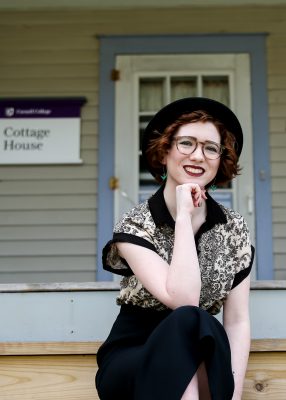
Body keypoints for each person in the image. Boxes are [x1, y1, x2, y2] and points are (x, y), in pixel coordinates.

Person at [95, 97, 254, 400]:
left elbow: (237, 321)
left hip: (200, 354)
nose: (198, 155)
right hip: (133, 360)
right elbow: (184, 300)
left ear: (221, 160)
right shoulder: (136, 223)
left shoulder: (234, 229)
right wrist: (184, 217)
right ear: (164, 152)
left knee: (198, 328)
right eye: (186, 144)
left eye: (210, 148)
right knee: (188, 318)